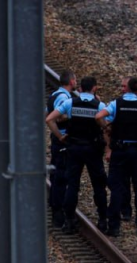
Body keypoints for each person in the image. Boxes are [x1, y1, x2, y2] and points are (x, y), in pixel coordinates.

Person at [95, 76, 137, 237]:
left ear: (127, 88)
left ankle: (114, 226)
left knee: (117, 188)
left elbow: (98, 117)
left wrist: (107, 128)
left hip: (120, 151)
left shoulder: (116, 104)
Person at [46, 76, 108, 233]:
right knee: (98, 184)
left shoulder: (70, 103)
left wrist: (60, 137)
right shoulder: (99, 105)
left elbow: (50, 119)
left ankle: (69, 221)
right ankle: (102, 219)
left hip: (73, 148)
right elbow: (106, 126)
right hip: (93, 149)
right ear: (94, 88)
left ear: (80, 88)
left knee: (72, 185)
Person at [47, 70, 78, 229]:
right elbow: (57, 117)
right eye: (75, 80)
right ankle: (58, 213)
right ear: (71, 82)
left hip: (58, 141)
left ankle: (55, 205)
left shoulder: (54, 95)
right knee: (62, 177)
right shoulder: (63, 97)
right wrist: (74, 113)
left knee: (56, 175)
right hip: (63, 141)